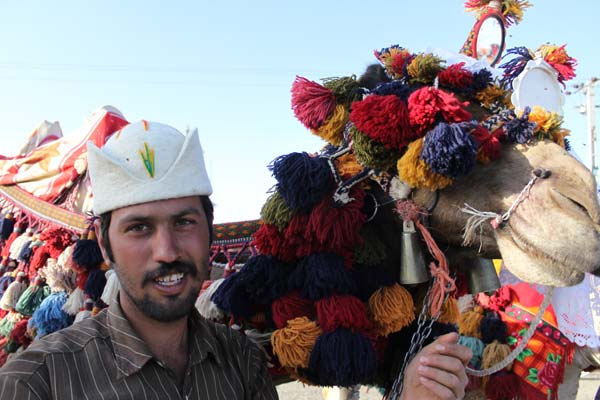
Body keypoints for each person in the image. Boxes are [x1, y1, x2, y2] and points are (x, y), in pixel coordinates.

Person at [0, 120, 470, 399]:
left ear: (209, 232)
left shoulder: (239, 362)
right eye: (139, 228)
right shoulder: (37, 381)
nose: (166, 251)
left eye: (184, 222)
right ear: (104, 246)